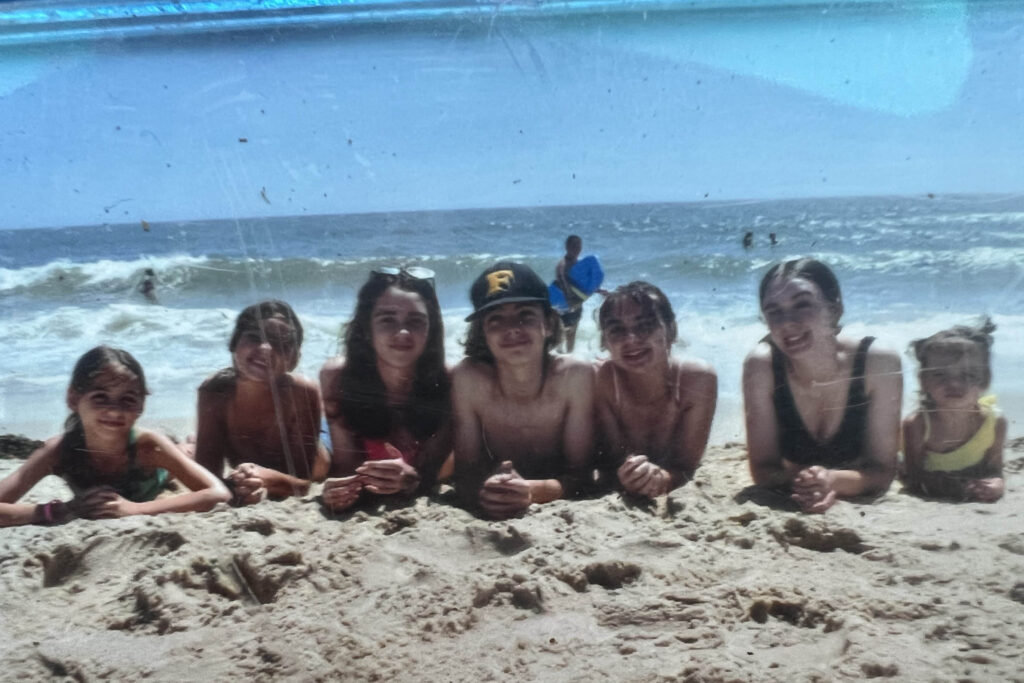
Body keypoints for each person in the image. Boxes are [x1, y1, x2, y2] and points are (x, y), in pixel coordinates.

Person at [0, 346, 229, 526]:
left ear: (141, 405)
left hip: (158, 468)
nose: (114, 411)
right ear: (73, 399)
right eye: (100, 397)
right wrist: (63, 510)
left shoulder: (147, 447)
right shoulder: (59, 451)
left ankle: (188, 443)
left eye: (128, 399)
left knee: (185, 453)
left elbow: (219, 494)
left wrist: (133, 509)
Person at [742, 258, 902, 513]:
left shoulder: (877, 361)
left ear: (835, 309)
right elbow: (763, 469)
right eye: (773, 311)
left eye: (802, 304)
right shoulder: (763, 365)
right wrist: (812, 484)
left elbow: (882, 471)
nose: (786, 322)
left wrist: (833, 481)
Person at [453, 261, 595, 519]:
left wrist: (531, 490)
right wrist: (487, 491)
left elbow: (582, 476)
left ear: (549, 323)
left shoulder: (574, 377)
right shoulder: (469, 380)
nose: (512, 329)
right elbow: (465, 474)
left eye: (525, 315)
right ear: (482, 333)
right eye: (496, 319)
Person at [320, 267, 452, 512]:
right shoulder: (338, 376)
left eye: (415, 321)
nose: (402, 332)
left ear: (431, 328)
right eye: (387, 319)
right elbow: (347, 465)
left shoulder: (449, 381)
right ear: (366, 329)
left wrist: (412, 479)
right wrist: (340, 490)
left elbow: (434, 471)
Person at [193, 300, 329, 505]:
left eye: (281, 342)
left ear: (294, 360)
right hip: (260, 468)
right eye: (255, 337)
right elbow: (205, 479)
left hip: (323, 448)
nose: (266, 348)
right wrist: (239, 486)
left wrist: (266, 480)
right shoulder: (214, 392)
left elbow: (303, 483)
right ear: (234, 343)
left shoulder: (301, 393)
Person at [594, 282, 717, 497]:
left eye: (644, 326)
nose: (631, 340)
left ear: (671, 330)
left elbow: (687, 464)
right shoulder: (603, 380)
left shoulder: (695, 379)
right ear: (605, 340)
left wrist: (664, 479)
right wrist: (633, 475)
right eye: (617, 330)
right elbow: (612, 462)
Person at [901, 319, 1005, 502]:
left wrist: (996, 485)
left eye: (968, 375)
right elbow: (912, 476)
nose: (954, 384)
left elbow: (994, 470)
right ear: (923, 380)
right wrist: (945, 485)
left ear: (985, 380)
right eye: (940, 374)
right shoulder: (918, 424)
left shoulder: (995, 422)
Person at [555, 235, 586, 353]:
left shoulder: (579, 265)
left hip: (577, 303)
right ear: (567, 247)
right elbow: (561, 279)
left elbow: (584, 284)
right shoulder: (562, 264)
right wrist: (568, 296)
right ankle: (559, 355)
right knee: (562, 331)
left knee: (573, 331)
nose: (577, 250)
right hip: (564, 303)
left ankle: (570, 355)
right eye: (574, 247)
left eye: (579, 247)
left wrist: (598, 290)